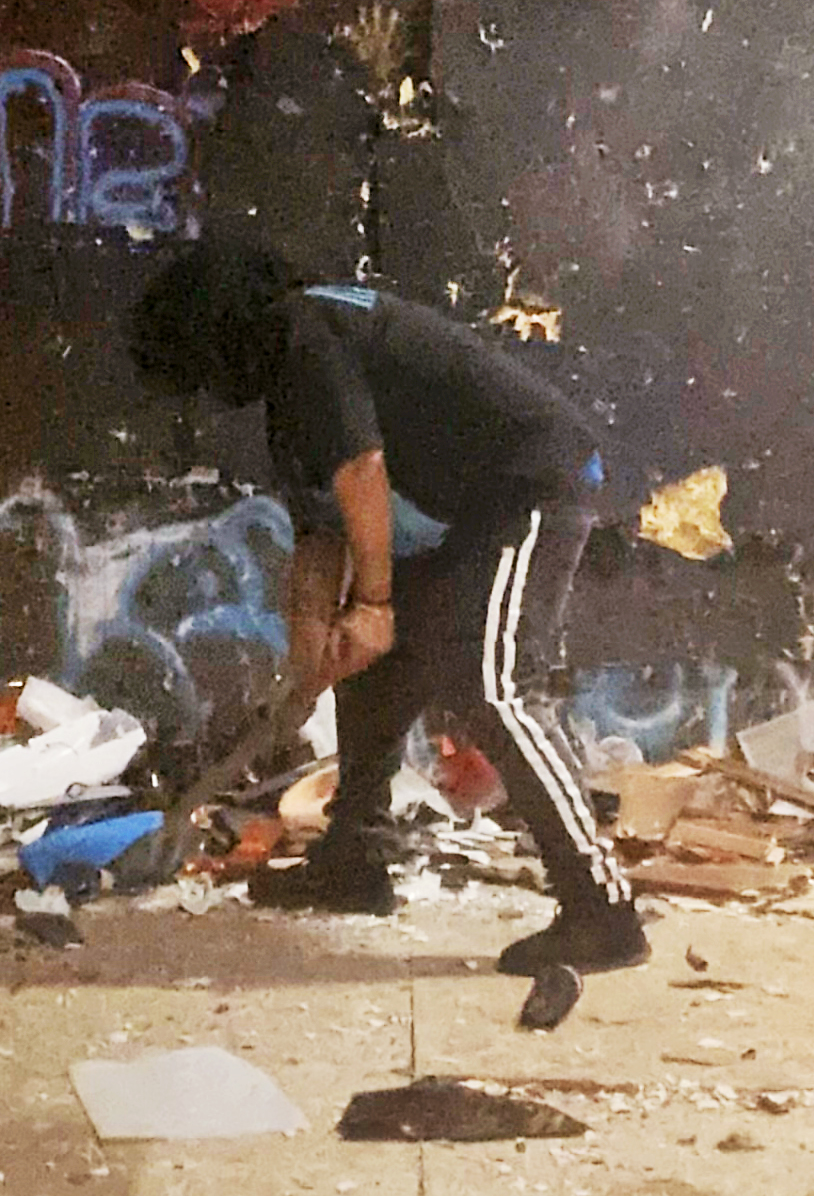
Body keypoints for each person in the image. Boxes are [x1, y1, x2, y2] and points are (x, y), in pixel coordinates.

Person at [128, 235, 646, 975]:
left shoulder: (306, 332)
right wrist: (308, 659)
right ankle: (352, 862)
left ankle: (603, 912)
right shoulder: (292, 379)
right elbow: (320, 529)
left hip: (534, 482)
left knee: (490, 688)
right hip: (472, 509)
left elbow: (362, 467)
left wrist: (373, 602)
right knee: (375, 677)